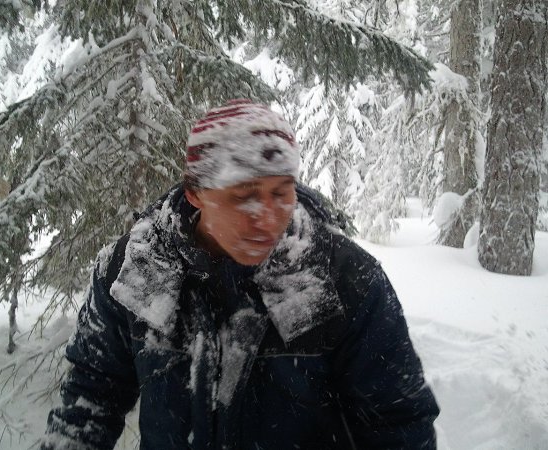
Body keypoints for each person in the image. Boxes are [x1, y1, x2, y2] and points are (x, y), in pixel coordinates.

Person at [42, 100, 439, 450]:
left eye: (281, 193)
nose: (266, 218)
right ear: (196, 193)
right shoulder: (138, 266)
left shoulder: (342, 277)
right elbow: (91, 396)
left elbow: (397, 421)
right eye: (243, 196)